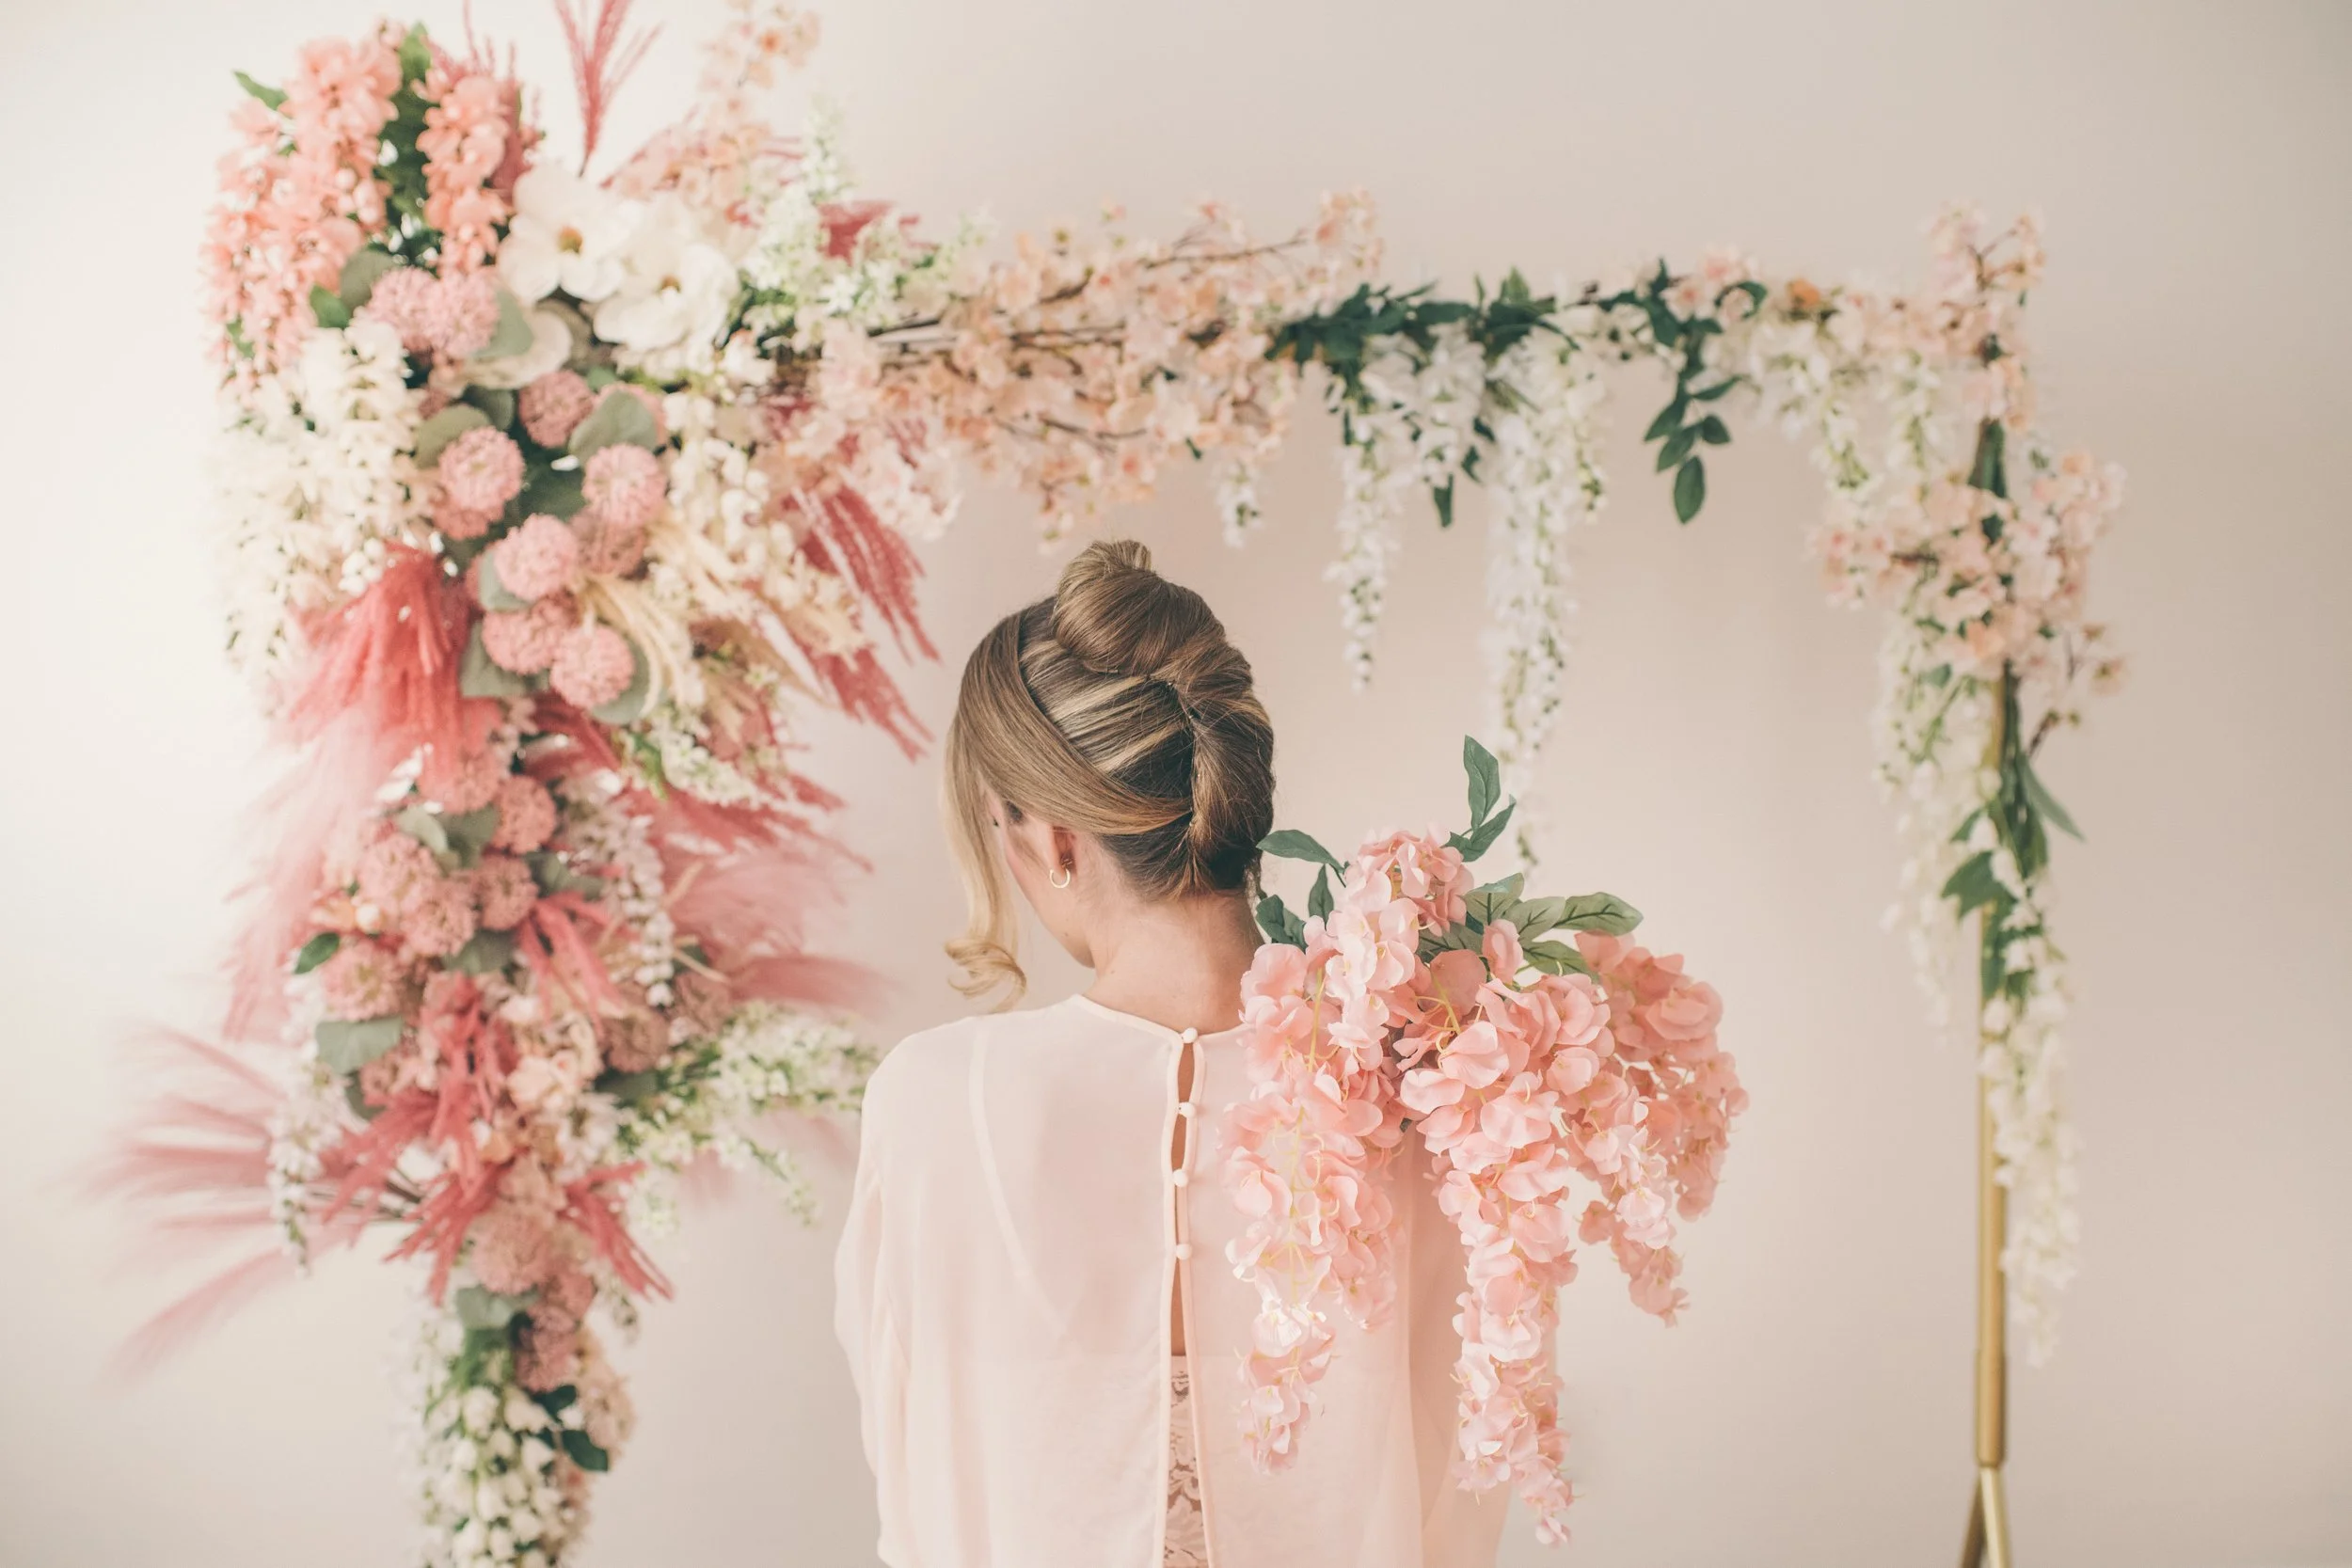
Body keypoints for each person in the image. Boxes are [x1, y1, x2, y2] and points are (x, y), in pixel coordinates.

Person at [834, 540, 1507, 1568]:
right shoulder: (1420, 1081)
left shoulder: (935, 1098)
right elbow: (1458, 1484)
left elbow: (914, 1477)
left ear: (1053, 840)